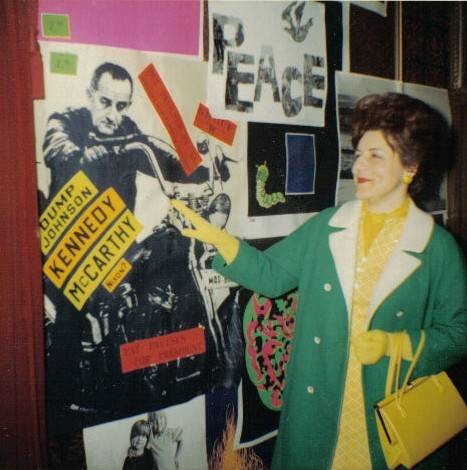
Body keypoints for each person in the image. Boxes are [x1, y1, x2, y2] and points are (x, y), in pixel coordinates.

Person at [171, 93, 467, 469]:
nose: (360, 165)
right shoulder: (329, 226)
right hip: (316, 410)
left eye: (376, 155)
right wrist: (222, 241)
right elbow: (271, 275)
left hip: (387, 417)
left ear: (410, 166)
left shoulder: (436, 248)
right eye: (359, 153)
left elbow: (460, 332)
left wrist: (396, 344)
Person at [43, 61, 218, 211]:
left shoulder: (128, 130)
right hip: (72, 230)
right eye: (105, 102)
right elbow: (56, 148)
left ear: (128, 105)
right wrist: (82, 158)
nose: (112, 115)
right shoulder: (66, 120)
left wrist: (208, 171)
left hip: (119, 232)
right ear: (90, 95)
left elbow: (162, 160)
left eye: (120, 106)